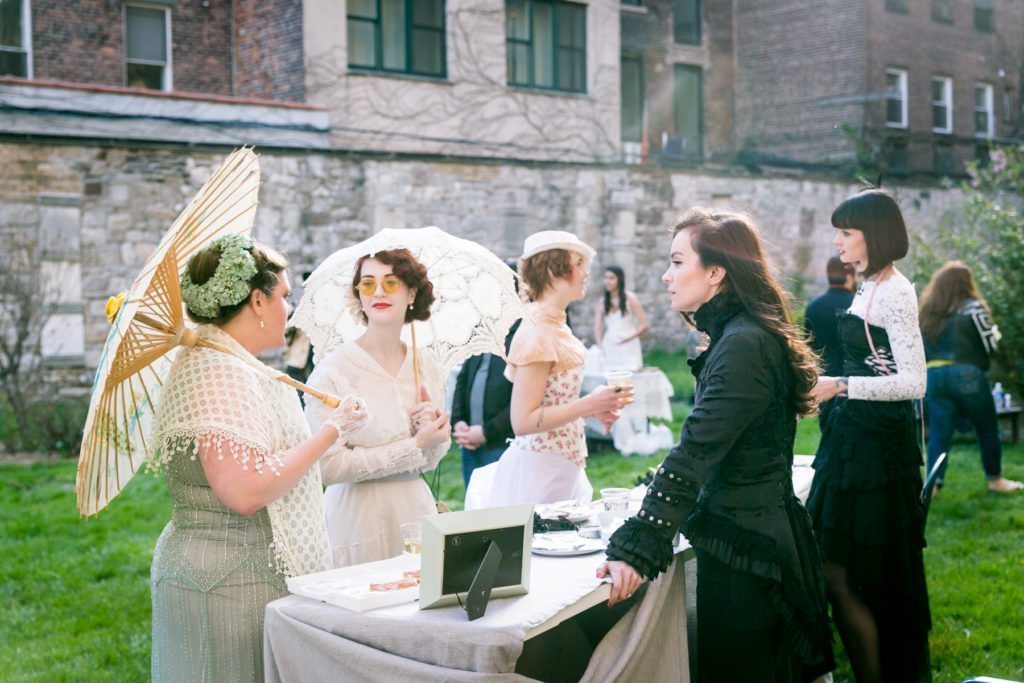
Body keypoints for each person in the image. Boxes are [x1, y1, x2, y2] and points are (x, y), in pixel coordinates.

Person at [598, 209, 835, 682]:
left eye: (676, 261)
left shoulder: (744, 342)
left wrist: (637, 546)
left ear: (715, 272)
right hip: (749, 534)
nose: (666, 275)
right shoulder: (739, 334)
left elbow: (695, 450)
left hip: (750, 551)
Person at [149, 234, 367, 682]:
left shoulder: (223, 361)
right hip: (228, 582)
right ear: (256, 300)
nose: (289, 309)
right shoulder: (219, 372)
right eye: (284, 296)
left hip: (215, 571)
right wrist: (332, 431)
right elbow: (244, 490)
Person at [806, 189, 931, 682]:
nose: (836, 241)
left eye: (846, 232)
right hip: (852, 441)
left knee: (858, 576)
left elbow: (915, 382)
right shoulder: (867, 284)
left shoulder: (896, 291)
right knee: (838, 571)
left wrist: (839, 385)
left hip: (878, 453)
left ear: (872, 236)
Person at [305, 248, 451, 567]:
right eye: (368, 284)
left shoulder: (426, 365)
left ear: (412, 292)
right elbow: (327, 467)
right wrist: (414, 444)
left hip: (415, 512)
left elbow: (431, 460)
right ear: (358, 296)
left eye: (392, 282)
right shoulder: (333, 370)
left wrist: (433, 433)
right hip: (357, 517)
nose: (379, 292)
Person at [472, 230, 631, 507]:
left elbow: (553, 398)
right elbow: (523, 421)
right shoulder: (538, 330)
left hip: (559, 463)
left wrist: (596, 408)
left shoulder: (554, 323)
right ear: (552, 271)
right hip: (540, 470)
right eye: (578, 265)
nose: (585, 274)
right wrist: (589, 403)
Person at [919, 260, 1022, 493]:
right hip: (967, 374)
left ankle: (932, 486)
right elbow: (990, 344)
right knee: (987, 428)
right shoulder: (974, 308)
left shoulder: (929, 312)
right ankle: (995, 480)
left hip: (934, 374)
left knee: (939, 433)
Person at [804, 256, 856, 378]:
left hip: (823, 376)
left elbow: (809, 346)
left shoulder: (813, 306)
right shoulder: (858, 304)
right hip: (851, 380)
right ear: (849, 277)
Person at [594, 265, 649, 372]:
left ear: (619, 279)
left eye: (611, 278)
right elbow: (598, 327)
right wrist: (600, 346)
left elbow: (644, 324)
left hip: (629, 343)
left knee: (631, 375)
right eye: (605, 277)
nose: (607, 281)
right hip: (609, 344)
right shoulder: (601, 302)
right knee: (612, 376)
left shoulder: (630, 298)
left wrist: (629, 338)